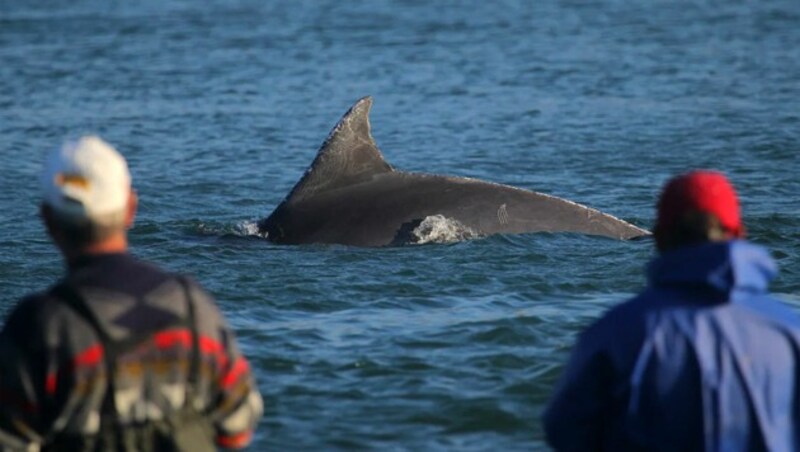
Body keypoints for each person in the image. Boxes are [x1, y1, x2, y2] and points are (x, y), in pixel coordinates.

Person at [0, 136, 263, 451]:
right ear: (130, 209)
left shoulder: (39, 326)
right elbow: (239, 427)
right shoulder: (191, 306)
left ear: (47, 220)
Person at [542, 170, 800, 451]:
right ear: (740, 233)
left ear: (660, 237)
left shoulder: (614, 334)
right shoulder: (791, 333)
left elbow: (565, 430)